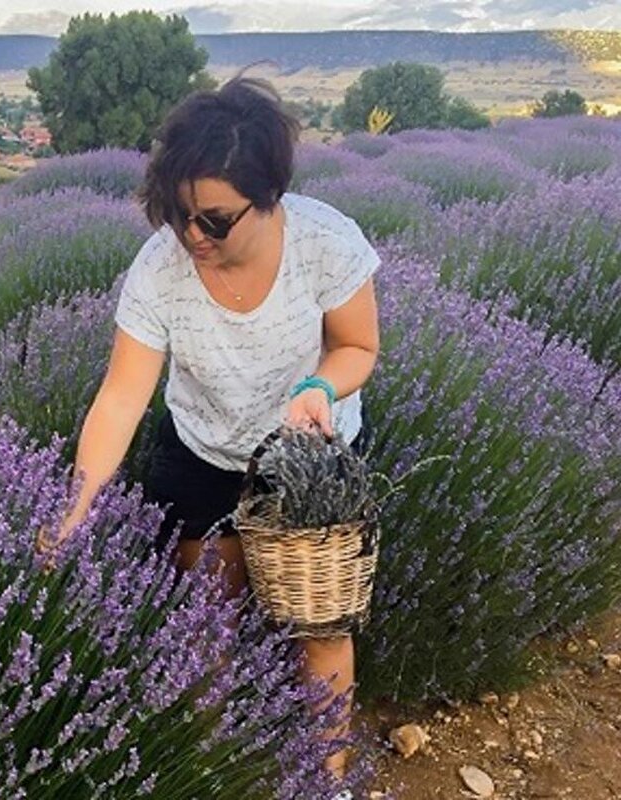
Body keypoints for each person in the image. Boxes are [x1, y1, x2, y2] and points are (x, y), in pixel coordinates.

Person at [35, 73, 381, 782]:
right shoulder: (160, 268)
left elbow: (357, 346)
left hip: (308, 454)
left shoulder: (326, 243)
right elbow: (122, 397)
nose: (193, 234)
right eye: (180, 213)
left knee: (318, 627)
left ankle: (326, 778)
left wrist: (318, 387)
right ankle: (216, 762)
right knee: (206, 616)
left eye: (216, 220)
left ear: (270, 198)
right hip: (205, 449)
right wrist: (76, 506)